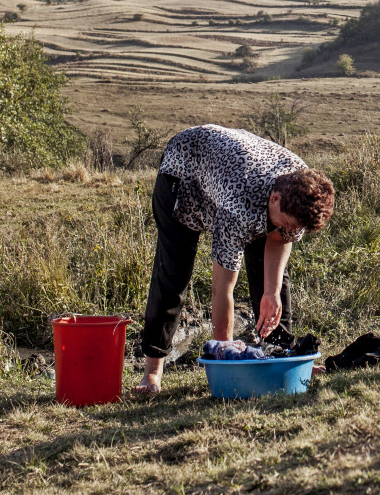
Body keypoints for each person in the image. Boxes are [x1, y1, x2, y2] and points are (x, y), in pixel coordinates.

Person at [132, 124, 335, 394]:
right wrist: (225, 357)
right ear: (275, 199)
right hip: (183, 173)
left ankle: (282, 357)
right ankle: (152, 373)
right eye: (286, 224)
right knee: (174, 273)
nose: (289, 232)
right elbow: (222, 288)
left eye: (295, 229)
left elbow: (280, 238)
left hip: (231, 167)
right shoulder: (239, 203)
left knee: (272, 285)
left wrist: (271, 292)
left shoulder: (300, 186)